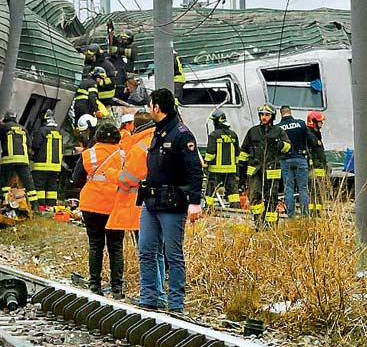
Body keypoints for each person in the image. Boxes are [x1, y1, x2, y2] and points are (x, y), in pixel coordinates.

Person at [136, 89, 203, 313]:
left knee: (172, 254)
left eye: (150, 105)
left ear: (157, 108)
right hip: (152, 201)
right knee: (146, 250)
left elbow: (195, 170)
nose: (148, 110)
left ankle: (176, 303)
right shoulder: (159, 132)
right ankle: (149, 298)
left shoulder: (182, 135)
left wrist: (195, 202)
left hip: (173, 203)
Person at [71, 122, 123, 297]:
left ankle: (95, 285)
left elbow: (77, 179)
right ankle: (117, 288)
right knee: (115, 246)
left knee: (95, 245)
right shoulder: (123, 155)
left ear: (98, 137)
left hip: (91, 204)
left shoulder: (88, 154)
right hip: (115, 205)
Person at [239, 104, 291, 226]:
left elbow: (288, 147)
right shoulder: (253, 132)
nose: (264, 117)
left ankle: (271, 226)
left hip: (272, 171)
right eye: (262, 114)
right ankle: (258, 222)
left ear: (272, 116)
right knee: (255, 197)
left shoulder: (279, 131)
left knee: (271, 199)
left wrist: (279, 144)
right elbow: (244, 151)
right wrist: (241, 169)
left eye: (267, 115)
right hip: (255, 171)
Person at [0, 112, 38, 207]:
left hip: (9, 160)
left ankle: (5, 202)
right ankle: (35, 205)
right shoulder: (23, 129)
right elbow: (29, 144)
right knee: (29, 184)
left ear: (6, 118)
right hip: (23, 161)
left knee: (5, 183)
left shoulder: (5, 127)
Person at [277, 106, 310, 218]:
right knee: (303, 188)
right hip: (300, 158)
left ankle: (291, 216)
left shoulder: (278, 127)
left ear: (281, 114)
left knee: (288, 189)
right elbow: (308, 139)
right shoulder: (301, 124)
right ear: (290, 112)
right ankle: (305, 216)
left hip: (286, 160)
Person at [204, 111, 241, 208]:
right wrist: (236, 169)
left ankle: (208, 210)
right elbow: (238, 154)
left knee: (210, 191)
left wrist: (205, 163)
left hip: (216, 170)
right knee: (233, 192)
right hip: (231, 170)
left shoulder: (214, 135)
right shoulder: (233, 135)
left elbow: (210, 153)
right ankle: (236, 209)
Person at [29, 110, 63, 212]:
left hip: (42, 165)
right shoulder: (58, 132)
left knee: (39, 186)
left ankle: (41, 206)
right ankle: (51, 206)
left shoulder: (42, 131)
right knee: (51, 186)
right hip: (55, 166)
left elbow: (35, 146)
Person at [306, 111, 328, 216]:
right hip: (315, 167)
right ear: (313, 122)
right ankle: (312, 212)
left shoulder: (315, 134)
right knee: (313, 190)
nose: (322, 124)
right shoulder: (310, 135)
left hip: (319, 167)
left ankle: (318, 211)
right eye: (320, 122)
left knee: (319, 190)